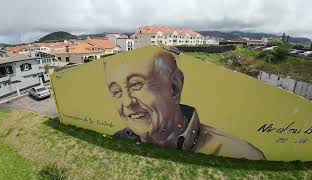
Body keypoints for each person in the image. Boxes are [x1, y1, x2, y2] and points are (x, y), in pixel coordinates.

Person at [104, 48, 265, 160]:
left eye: (135, 84)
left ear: (174, 87)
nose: (127, 102)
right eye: (116, 92)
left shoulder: (241, 154)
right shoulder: (118, 139)